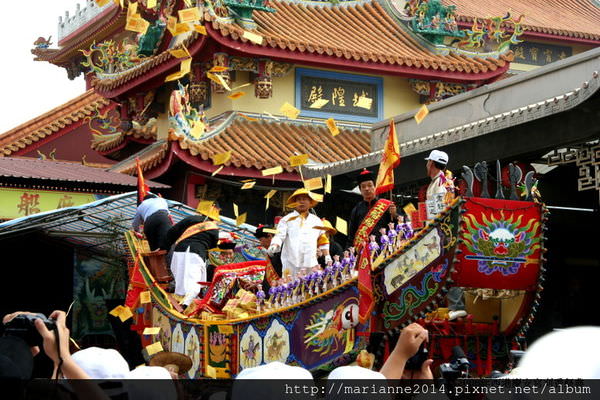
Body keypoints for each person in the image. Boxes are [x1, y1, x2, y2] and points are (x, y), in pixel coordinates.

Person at [425, 150, 465, 321]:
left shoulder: (440, 184)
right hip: (446, 232)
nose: (426, 165)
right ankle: (451, 306)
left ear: (432, 164)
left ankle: (456, 305)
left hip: (442, 234)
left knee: (447, 269)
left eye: (428, 162)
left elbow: (437, 213)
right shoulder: (444, 181)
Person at [268, 189, 330, 278]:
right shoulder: (286, 220)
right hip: (291, 263)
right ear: (295, 203)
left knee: (310, 288)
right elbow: (279, 235)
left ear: (310, 202)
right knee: (289, 288)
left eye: (304, 199)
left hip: (311, 262)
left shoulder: (317, 221)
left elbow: (323, 239)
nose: (302, 202)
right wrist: (275, 244)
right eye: (299, 199)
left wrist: (327, 255)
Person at [163, 215, 220, 307]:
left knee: (180, 280)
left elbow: (171, 233)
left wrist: (165, 247)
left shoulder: (190, 218)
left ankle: (181, 303)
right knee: (194, 283)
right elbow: (213, 245)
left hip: (179, 252)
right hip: (196, 254)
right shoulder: (214, 228)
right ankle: (185, 306)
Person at [347, 169, 397, 249]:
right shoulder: (356, 210)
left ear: (375, 187)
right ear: (360, 190)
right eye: (363, 186)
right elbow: (351, 236)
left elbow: (399, 226)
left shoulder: (387, 205)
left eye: (370, 185)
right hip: (364, 252)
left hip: (385, 249)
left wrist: (394, 215)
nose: (367, 189)